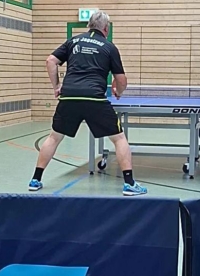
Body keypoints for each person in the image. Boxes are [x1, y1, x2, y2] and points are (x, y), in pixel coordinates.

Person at [28, 11, 147, 196]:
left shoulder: (73, 41)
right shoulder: (109, 47)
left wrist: (56, 86)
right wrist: (118, 91)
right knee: (119, 138)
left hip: (69, 97)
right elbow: (122, 80)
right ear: (106, 28)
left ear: (89, 25)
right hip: (94, 98)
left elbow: (50, 60)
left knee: (54, 137)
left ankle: (35, 180)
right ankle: (129, 184)